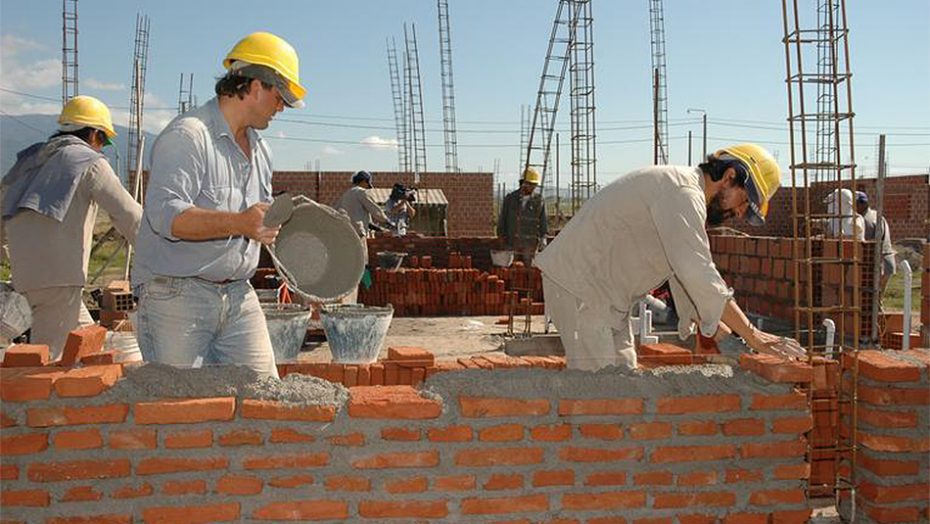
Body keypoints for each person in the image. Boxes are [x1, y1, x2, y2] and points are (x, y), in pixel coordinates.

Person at [132, 31, 307, 378]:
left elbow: (258, 221)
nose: (281, 107)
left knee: (265, 397)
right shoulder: (188, 137)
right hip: (177, 296)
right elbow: (167, 217)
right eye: (279, 96)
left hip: (239, 295)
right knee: (182, 411)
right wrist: (240, 223)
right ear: (255, 85)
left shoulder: (260, 151)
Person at [535, 144, 794, 371]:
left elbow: (680, 272)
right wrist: (753, 336)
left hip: (603, 295)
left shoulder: (683, 195)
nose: (739, 214)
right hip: (581, 286)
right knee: (599, 394)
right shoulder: (682, 192)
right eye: (744, 201)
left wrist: (715, 331)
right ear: (729, 176)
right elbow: (697, 271)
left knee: (622, 377)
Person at [1, 96, 142, 359]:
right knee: (53, 362)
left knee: (88, 341)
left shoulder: (29, 160)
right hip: (59, 280)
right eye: (103, 141)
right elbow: (128, 214)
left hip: (25, 277)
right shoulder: (89, 161)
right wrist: (157, 257)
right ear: (93, 133)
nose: (101, 148)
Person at [497, 167, 548, 265]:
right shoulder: (510, 199)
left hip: (530, 243)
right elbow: (503, 219)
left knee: (528, 272)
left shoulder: (539, 201)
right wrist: (501, 237)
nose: (533, 187)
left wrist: (543, 238)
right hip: (512, 241)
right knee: (511, 269)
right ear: (523, 183)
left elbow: (543, 221)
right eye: (531, 184)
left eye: (534, 185)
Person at [855, 190, 896, 302]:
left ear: (863, 204)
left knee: (872, 301)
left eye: (855, 205)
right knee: (877, 300)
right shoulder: (876, 215)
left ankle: (877, 319)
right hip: (886, 262)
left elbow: (867, 245)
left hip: (880, 263)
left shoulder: (865, 220)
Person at [335, 170, 393, 237]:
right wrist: (388, 222)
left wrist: (379, 229)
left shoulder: (346, 194)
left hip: (346, 232)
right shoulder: (361, 192)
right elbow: (375, 211)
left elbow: (365, 221)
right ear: (364, 181)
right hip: (358, 233)